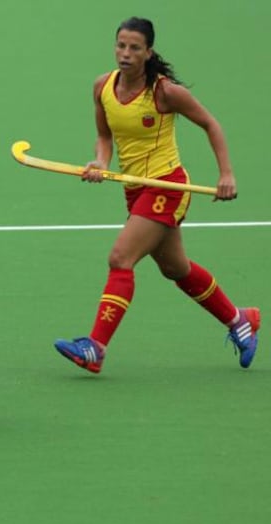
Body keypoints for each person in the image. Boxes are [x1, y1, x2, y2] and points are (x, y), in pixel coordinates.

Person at [54, 17, 259, 373]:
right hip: (135, 190)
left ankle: (96, 348)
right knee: (175, 268)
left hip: (167, 186)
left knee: (121, 257)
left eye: (135, 48)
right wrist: (100, 162)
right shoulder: (103, 87)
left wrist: (226, 174)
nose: (126, 54)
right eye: (121, 45)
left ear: (149, 52)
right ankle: (239, 319)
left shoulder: (164, 92)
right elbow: (105, 137)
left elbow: (211, 124)